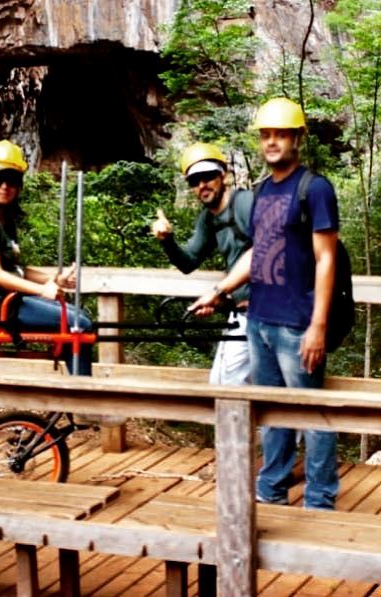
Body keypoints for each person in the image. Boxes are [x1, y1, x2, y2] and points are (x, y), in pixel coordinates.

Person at [191, 97, 340, 510]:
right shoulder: (260, 193)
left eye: (281, 134)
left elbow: (326, 258)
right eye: (267, 135)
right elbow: (256, 253)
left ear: (297, 138)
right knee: (271, 415)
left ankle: (320, 500)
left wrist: (318, 326)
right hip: (258, 319)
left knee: (312, 414)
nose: (273, 142)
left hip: (297, 322)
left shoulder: (315, 189)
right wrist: (219, 292)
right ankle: (271, 490)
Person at [0, 139, 95, 375]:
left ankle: (74, 387)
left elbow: (17, 269)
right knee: (79, 325)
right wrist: (41, 290)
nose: (5, 185)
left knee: (81, 317)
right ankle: (81, 396)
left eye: (12, 180)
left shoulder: (3, 220)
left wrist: (53, 279)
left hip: (9, 299)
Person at [150, 142, 253, 385]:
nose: (202, 185)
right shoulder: (208, 220)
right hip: (243, 313)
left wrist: (219, 293)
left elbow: (265, 253)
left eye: (207, 177)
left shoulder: (246, 203)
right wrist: (167, 240)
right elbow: (188, 262)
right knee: (228, 385)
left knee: (226, 386)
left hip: (267, 313)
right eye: (194, 181)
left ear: (222, 175)